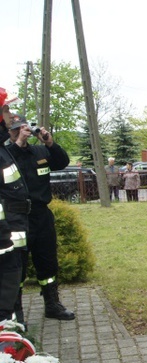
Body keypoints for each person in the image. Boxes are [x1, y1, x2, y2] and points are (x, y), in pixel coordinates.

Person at [5, 113, 75, 321]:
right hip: (16, 217)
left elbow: (62, 162)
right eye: (15, 129)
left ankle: (52, 304)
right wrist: (18, 143)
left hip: (41, 215)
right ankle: (15, 312)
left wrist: (50, 143)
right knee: (17, 266)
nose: (20, 132)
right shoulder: (7, 153)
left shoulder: (39, 151)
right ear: (9, 132)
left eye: (22, 128)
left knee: (47, 261)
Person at [0, 104, 30, 322]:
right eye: (6, 112)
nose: (10, 117)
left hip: (15, 222)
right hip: (6, 226)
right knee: (9, 275)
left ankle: (14, 320)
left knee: (16, 270)